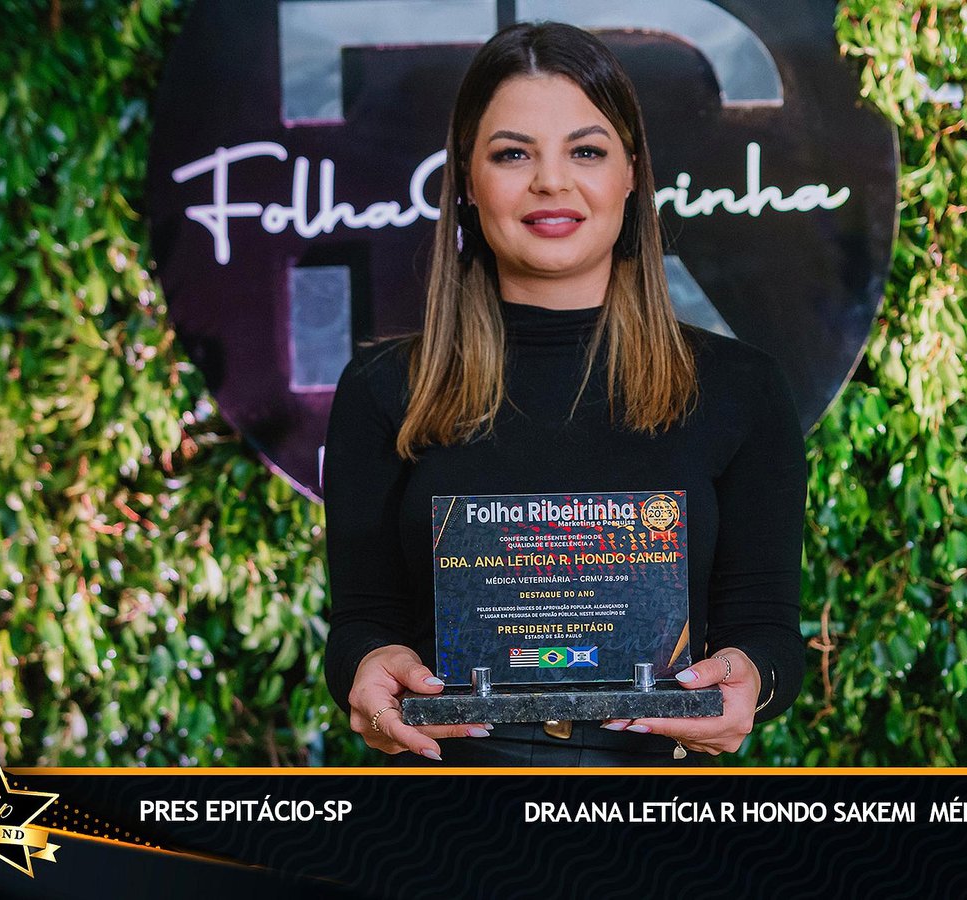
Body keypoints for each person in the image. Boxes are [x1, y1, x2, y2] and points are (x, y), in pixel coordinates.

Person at [322, 21, 806, 766]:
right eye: (512, 154)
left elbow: (768, 635)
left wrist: (753, 680)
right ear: (467, 180)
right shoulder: (384, 390)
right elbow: (360, 624)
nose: (551, 181)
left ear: (630, 174)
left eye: (586, 150)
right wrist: (370, 666)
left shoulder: (743, 390)